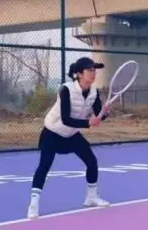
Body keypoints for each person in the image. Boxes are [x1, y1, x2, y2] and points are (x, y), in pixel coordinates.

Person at [27, 56, 112, 219]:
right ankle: (33, 204)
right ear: (79, 74)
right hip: (52, 133)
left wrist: (104, 113)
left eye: (94, 70)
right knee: (44, 166)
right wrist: (88, 123)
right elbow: (66, 119)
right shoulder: (65, 90)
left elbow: (98, 116)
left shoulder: (94, 92)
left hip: (72, 134)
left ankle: (91, 197)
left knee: (91, 161)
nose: (93, 73)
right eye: (90, 70)